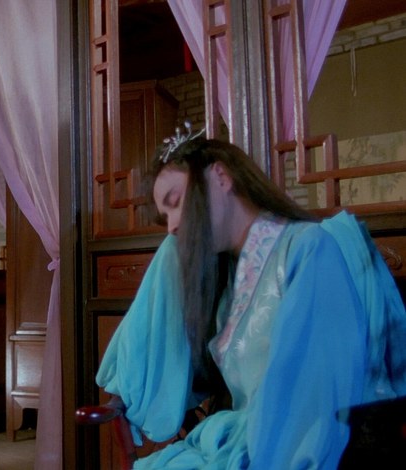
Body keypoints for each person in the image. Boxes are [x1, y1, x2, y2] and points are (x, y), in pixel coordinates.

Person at [95, 124, 406, 469]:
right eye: (164, 217)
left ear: (221, 176)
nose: (171, 226)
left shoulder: (307, 248)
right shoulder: (225, 279)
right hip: (239, 441)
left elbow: (309, 397)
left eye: (175, 202)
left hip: (288, 445)